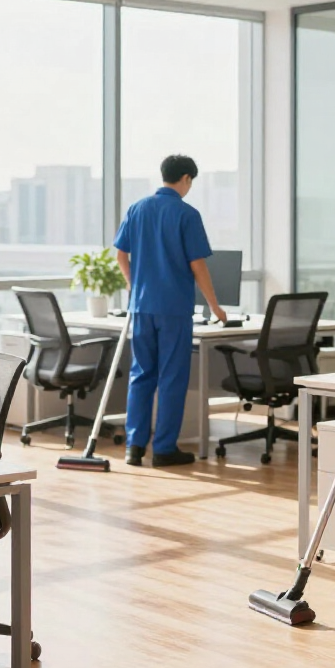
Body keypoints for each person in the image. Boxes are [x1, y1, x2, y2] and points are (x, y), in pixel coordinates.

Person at [114, 154, 226, 468]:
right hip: (173, 308)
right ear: (187, 179)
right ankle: (164, 449)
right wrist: (214, 306)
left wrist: (132, 285)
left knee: (141, 375)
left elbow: (121, 253)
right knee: (172, 378)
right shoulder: (186, 214)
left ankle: (134, 448)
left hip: (141, 307)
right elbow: (198, 265)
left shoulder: (137, 209)